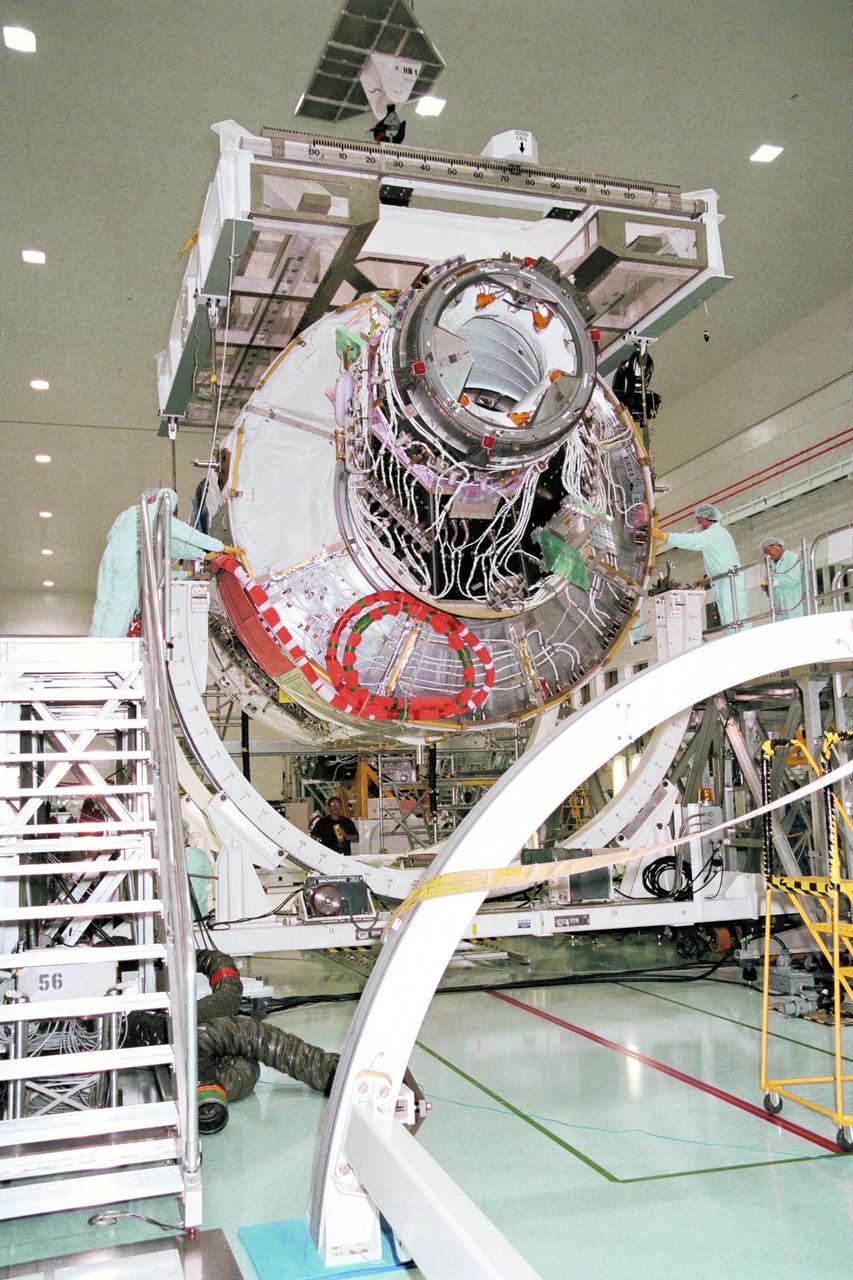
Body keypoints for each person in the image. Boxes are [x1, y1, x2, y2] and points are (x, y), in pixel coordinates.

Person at [90, 488, 242, 637]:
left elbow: (113, 535)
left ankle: (96, 639)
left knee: (104, 598)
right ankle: (111, 642)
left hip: (110, 554)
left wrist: (201, 555)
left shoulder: (131, 512)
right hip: (128, 558)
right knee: (122, 603)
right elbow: (191, 536)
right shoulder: (161, 514)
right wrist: (222, 547)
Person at [656, 503, 748, 629]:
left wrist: (665, 536)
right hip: (724, 580)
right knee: (730, 620)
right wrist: (705, 578)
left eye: (698, 521)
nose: (698, 525)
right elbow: (718, 559)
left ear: (704, 519)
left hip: (728, 581)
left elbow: (692, 541)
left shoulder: (713, 534)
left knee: (734, 619)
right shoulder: (718, 533)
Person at [760, 536, 806, 619]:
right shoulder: (774, 565)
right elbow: (776, 590)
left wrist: (774, 583)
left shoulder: (792, 558)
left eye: (768, 550)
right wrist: (767, 588)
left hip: (795, 608)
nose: (768, 554)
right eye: (765, 552)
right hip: (781, 611)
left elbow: (794, 579)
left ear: (778, 546)